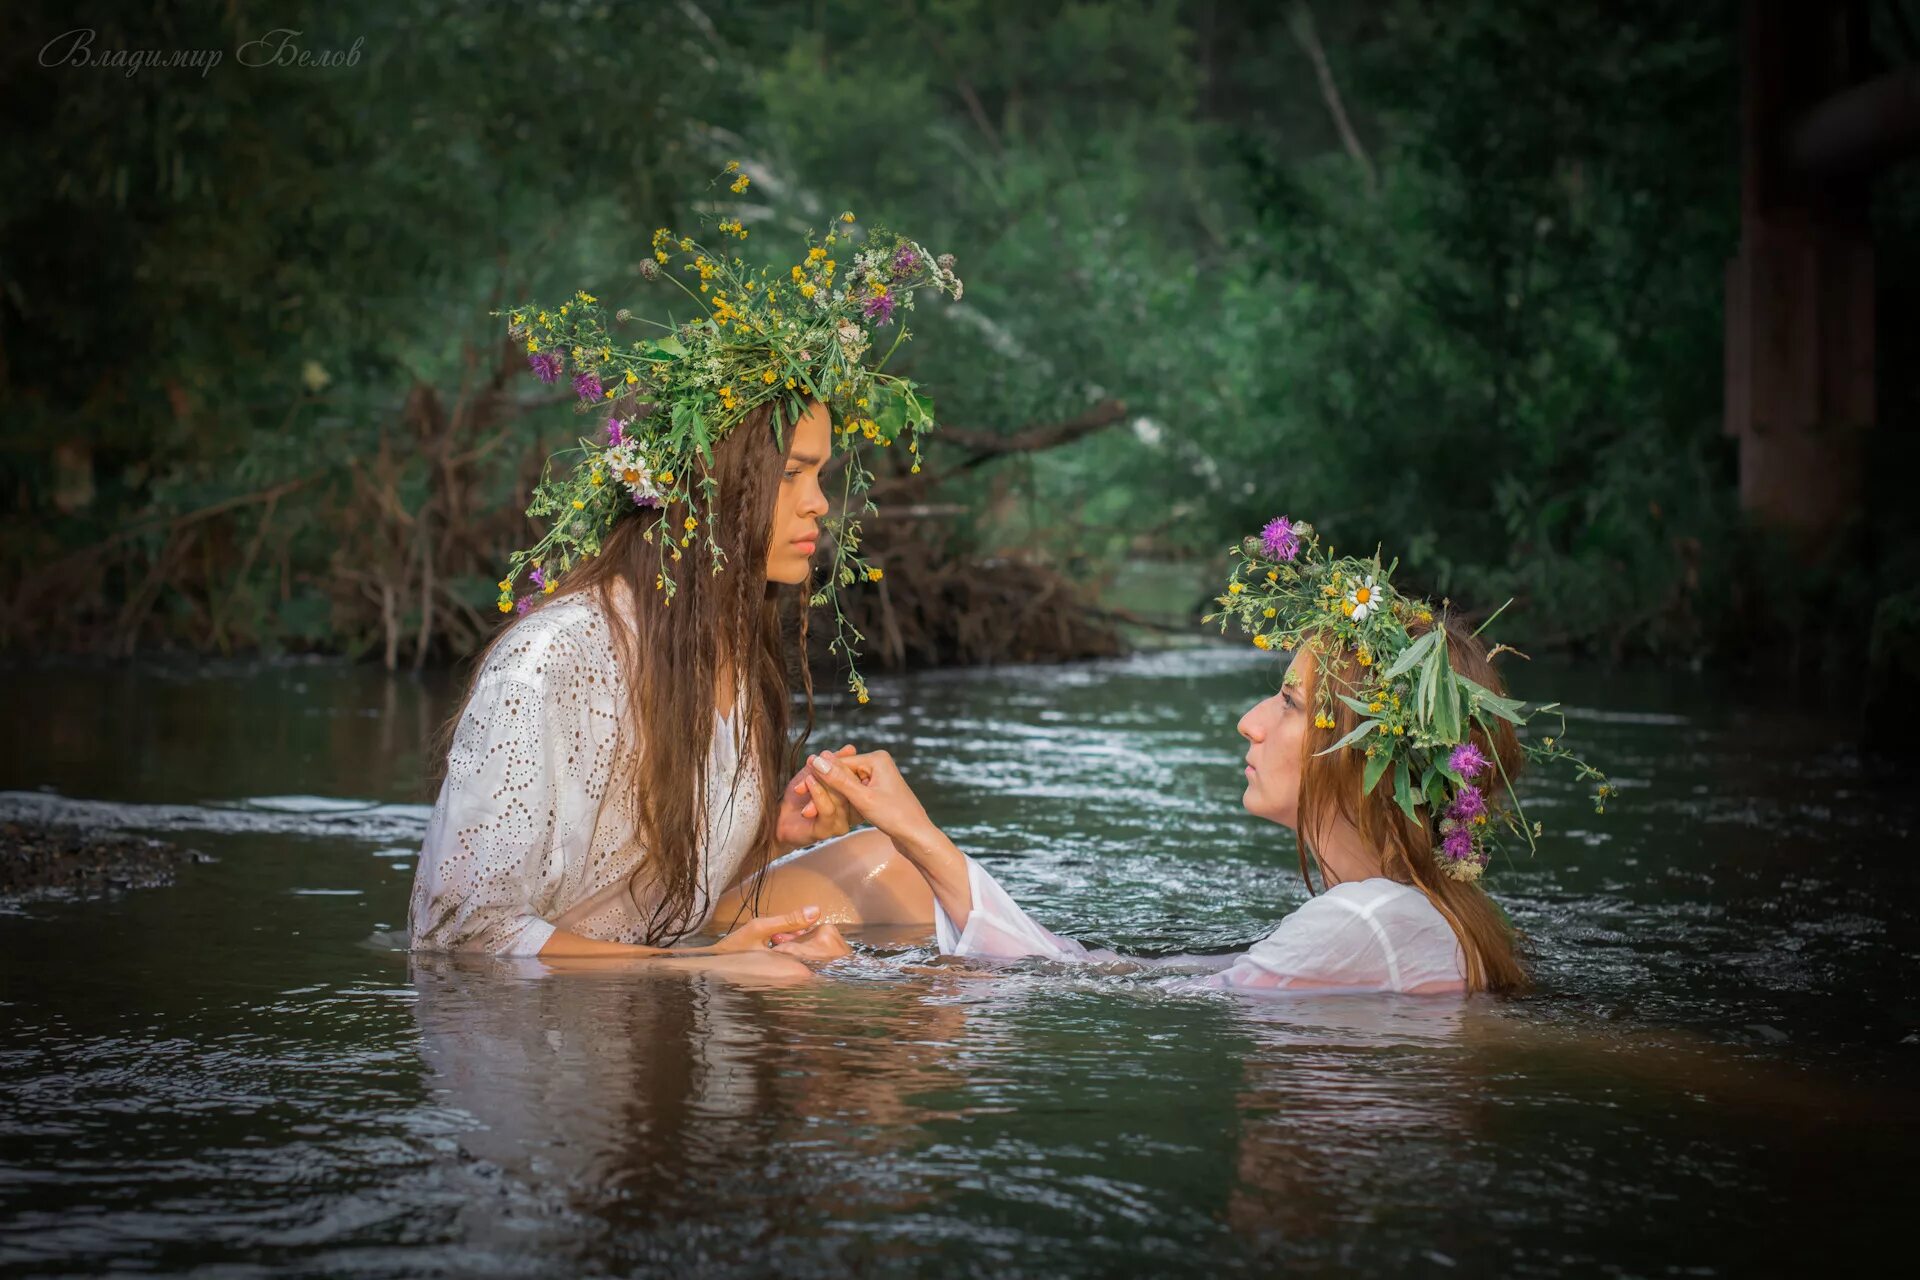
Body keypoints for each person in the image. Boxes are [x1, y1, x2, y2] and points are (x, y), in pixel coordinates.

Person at [407, 178, 961, 965]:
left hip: (654, 957)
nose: (819, 508)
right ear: (718, 489)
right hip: (553, 1031)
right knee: (788, 980)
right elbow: (460, 935)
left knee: (899, 874)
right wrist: (699, 972)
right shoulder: (555, 662)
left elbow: (658, 883)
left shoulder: (732, 642)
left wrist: (773, 838)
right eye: (794, 475)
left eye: (823, 475)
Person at [794, 517, 1612, 996]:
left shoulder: (1362, 922)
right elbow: (1111, 975)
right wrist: (916, 836)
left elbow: (1133, 1003)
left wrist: (863, 983)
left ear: (1362, 757)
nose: (1249, 724)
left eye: (1288, 703)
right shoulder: (1393, 916)